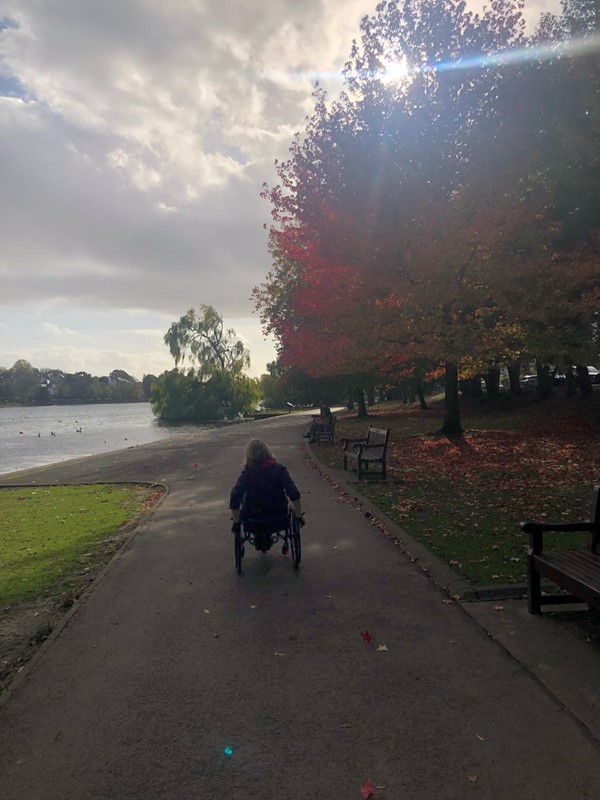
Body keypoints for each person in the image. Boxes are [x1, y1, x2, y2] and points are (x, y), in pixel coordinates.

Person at [230, 439, 304, 553]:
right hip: (278, 517)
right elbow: (293, 492)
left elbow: (235, 496)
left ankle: (259, 538)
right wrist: (298, 515)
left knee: (245, 507)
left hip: (252, 519)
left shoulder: (247, 474)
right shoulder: (279, 470)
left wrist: (236, 522)